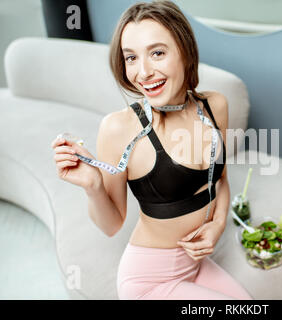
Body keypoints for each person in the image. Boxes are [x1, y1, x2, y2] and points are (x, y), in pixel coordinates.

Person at [50, 1, 253, 300]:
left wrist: (219, 223)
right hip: (149, 281)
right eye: (131, 57)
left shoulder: (215, 106)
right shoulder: (119, 129)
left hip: (194, 264)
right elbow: (111, 225)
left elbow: (218, 179)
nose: (142, 72)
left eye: (157, 53)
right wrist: (93, 185)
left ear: (184, 51)